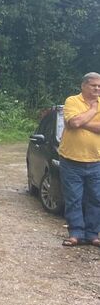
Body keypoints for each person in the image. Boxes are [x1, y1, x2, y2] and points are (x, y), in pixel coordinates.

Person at [58, 72, 100, 247]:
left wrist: (82, 121)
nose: (97, 89)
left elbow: (77, 122)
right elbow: (73, 123)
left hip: (96, 160)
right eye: (93, 85)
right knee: (73, 198)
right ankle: (75, 234)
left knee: (96, 199)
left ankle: (92, 235)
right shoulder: (72, 101)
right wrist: (92, 110)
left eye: (99, 86)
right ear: (83, 85)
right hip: (71, 161)